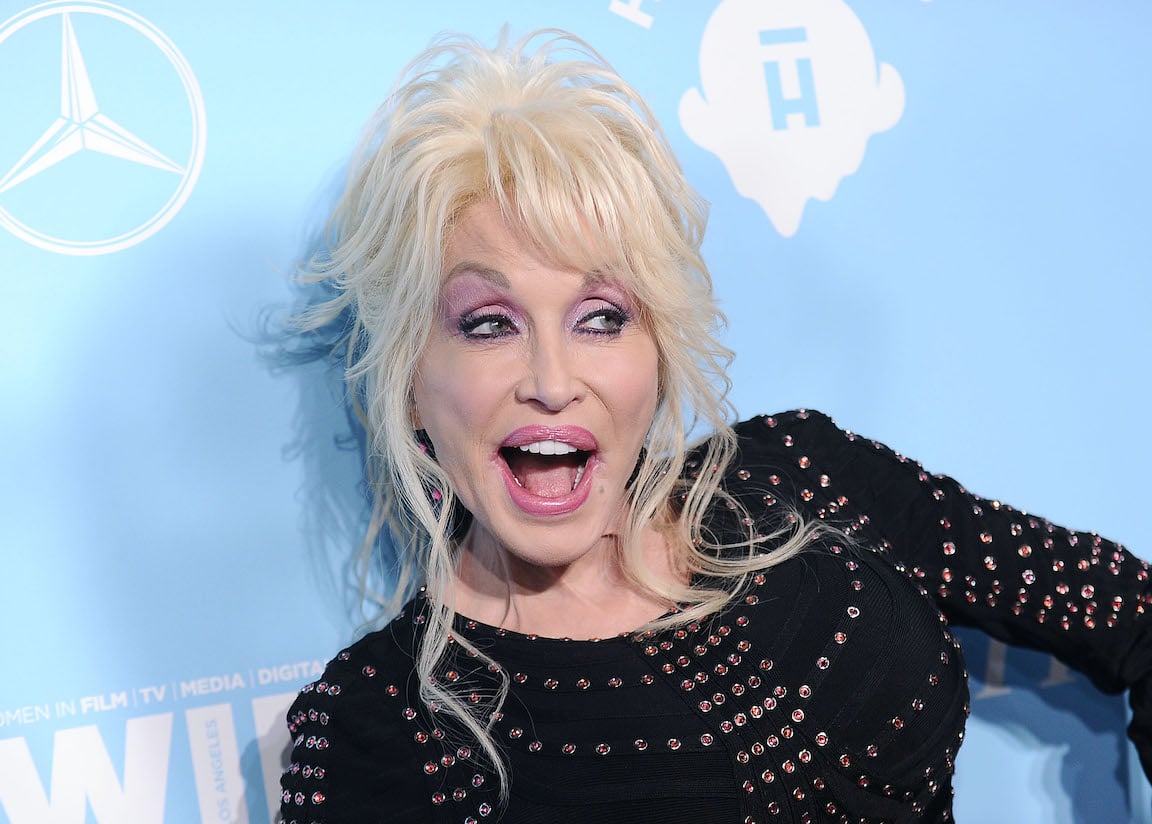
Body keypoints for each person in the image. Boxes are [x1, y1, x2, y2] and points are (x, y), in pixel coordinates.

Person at [279, 29, 1152, 822]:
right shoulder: (375, 725)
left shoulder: (801, 475)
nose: (552, 382)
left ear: (657, 349)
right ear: (409, 385)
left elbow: (1133, 612)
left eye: (600, 317)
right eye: (488, 324)